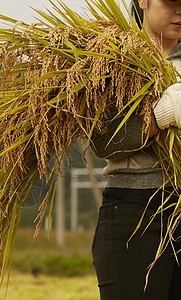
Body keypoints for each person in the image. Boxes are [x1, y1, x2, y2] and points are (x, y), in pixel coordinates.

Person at [91, 0, 181, 299]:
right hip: (134, 211)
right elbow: (105, 142)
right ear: (143, 1)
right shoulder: (114, 59)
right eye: (172, 2)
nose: (180, 11)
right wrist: (162, 115)